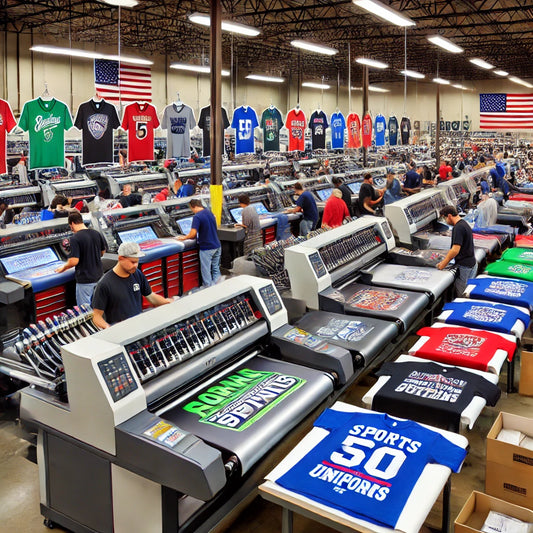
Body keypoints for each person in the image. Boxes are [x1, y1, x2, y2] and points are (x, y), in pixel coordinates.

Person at [92, 242, 172, 329]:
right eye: (132, 262)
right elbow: (96, 316)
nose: (135, 266)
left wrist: (168, 302)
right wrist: (109, 328)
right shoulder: (104, 284)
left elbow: (151, 297)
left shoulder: (137, 274)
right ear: (120, 258)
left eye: (137, 262)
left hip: (139, 327)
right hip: (122, 332)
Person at [55, 211, 107, 307]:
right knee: (100, 306)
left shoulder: (75, 238)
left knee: (85, 310)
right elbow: (102, 252)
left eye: (70, 226)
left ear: (72, 224)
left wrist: (63, 268)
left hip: (85, 280)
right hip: (99, 276)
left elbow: (74, 261)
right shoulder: (96, 233)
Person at [177, 199, 221, 286]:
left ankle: (209, 290)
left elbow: (193, 234)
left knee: (206, 270)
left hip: (207, 248)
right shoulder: (210, 212)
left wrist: (183, 238)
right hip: (217, 245)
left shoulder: (197, 217)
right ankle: (219, 287)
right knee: (215, 268)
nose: (192, 211)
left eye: (191, 209)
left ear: (193, 207)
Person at [437, 205, 477, 296]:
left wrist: (444, 263)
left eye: (445, 218)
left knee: (462, 295)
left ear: (449, 216)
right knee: (468, 292)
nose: (445, 221)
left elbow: (455, 250)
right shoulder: (464, 223)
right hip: (472, 263)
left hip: (465, 267)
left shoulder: (458, 228)